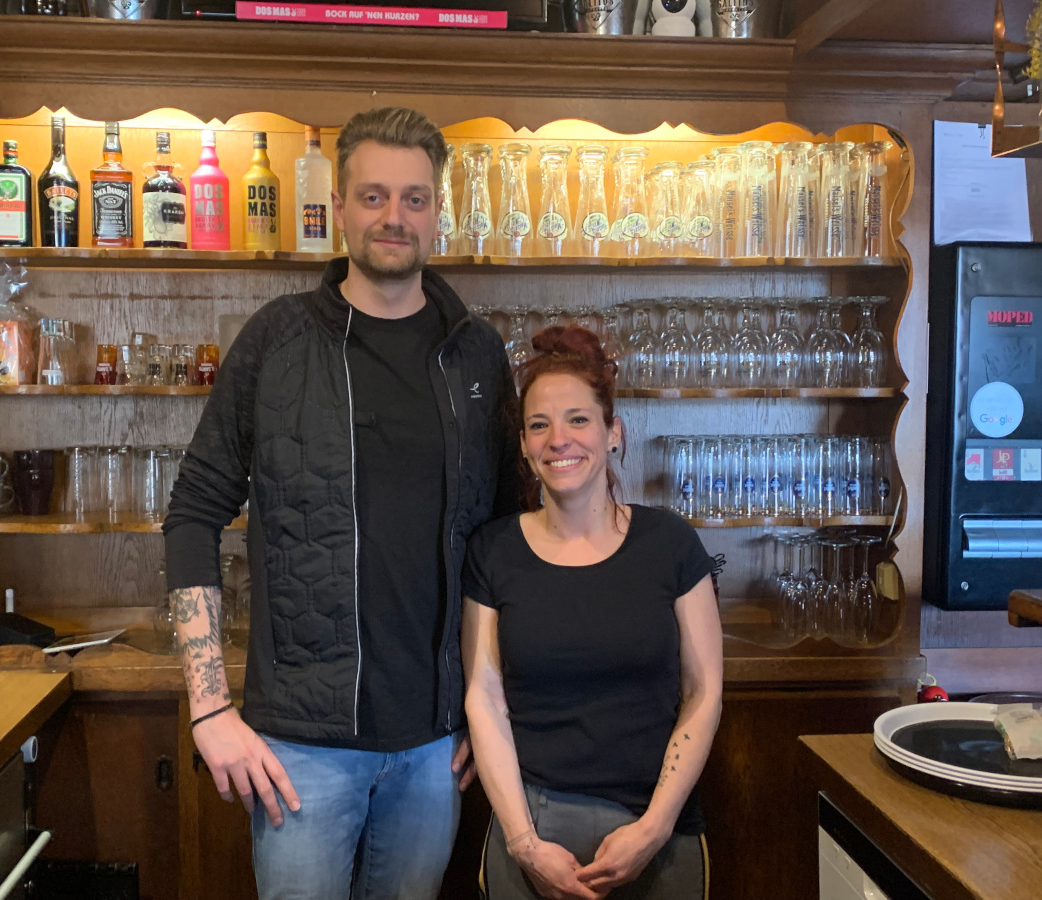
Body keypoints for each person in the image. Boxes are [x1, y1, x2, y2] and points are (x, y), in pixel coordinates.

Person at [163, 106, 518, 900]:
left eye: (416, 199)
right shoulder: (278, 340)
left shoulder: (477, 352)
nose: (395, 217)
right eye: (374, 197)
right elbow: (192, 512)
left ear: (437, 211)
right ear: (341, 208)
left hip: (435, 747)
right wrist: (209, 707)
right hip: (300, 749)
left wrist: (493, 709)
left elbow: (509, 543)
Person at [462, 325, 723, 900]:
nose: (560, 440)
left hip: (658, 825)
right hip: (534, 823)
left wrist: (654, 829)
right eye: (539, 425)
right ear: (525, 448)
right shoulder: (493, 550)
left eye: (579, 420)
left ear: (613, 433)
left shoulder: (671, 544)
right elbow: (484, 695)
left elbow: (704, 691)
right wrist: (524, 843)